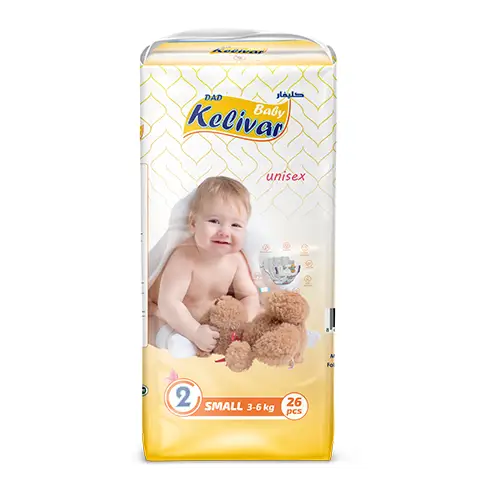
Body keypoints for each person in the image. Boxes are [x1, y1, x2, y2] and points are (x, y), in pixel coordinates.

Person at [148, 176, 261, 357]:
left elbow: (249, 295)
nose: (224, 232)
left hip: (212, 325)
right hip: (173, 319)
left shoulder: (236, 260)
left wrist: (243, 324)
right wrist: (194, 332)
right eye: (214, 221)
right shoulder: (184, 257)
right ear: (193, 223)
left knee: (262, 315)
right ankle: (172, 341)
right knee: (150, 324)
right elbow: (169, 303)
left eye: (235, 225)